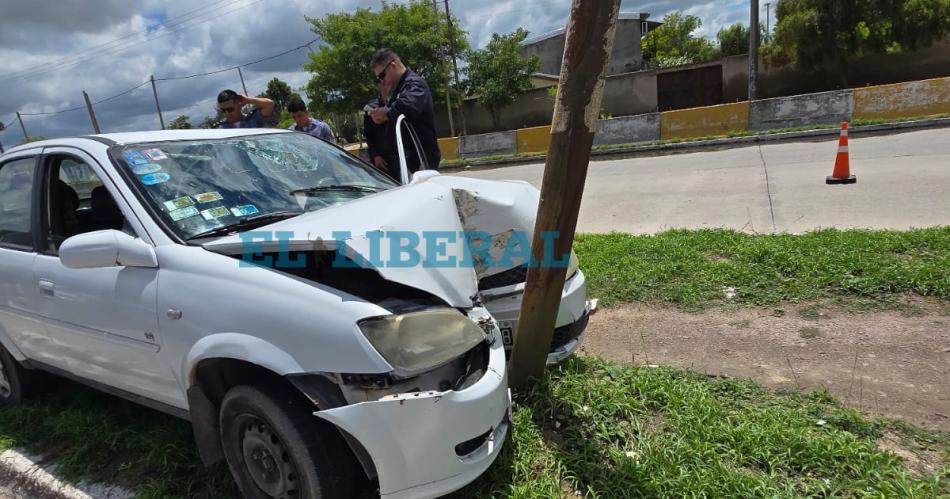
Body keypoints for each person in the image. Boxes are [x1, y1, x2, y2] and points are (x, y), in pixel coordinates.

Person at [367, 49, 441, 174]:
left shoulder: (415, 84)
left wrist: (386, 113)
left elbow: (407, 106)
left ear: (393, 66)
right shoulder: (398, 89)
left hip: (420, 162)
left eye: (382, 75)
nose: (382, 81)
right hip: (403, 162)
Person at [363, 79, 398, 180]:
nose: (385, 86)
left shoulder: (399, 105)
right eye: (381, 84)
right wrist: (375, 156)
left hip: (402, 157)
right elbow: (368, 135)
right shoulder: (371, 107)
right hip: (382, 161)